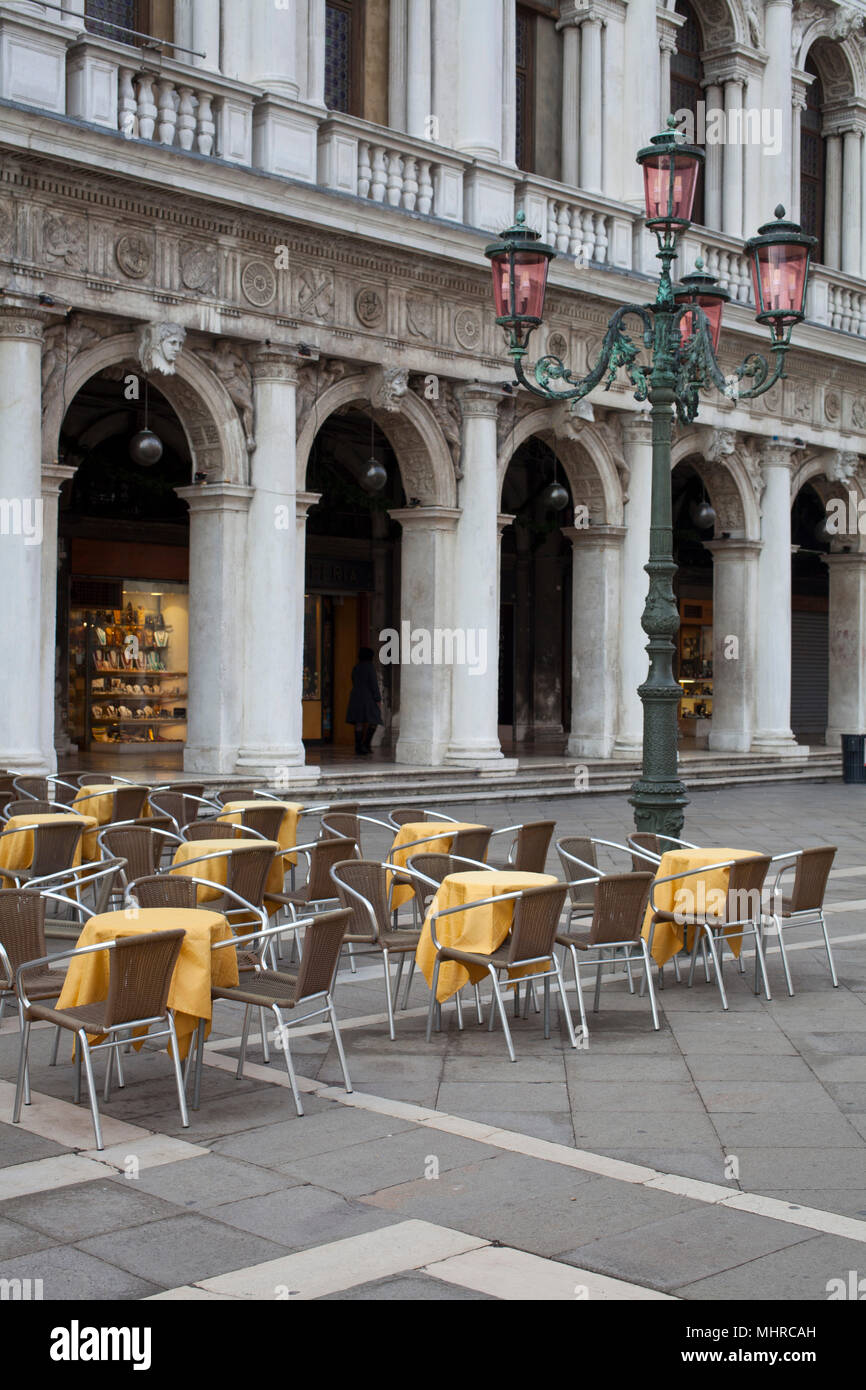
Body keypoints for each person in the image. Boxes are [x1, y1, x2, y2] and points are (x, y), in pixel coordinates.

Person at [346, 647, 382, 756]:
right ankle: (366, 744)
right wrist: (378, 699)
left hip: (356, 696)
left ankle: (358, 746)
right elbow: (374, 684)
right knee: (375, 720)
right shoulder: (370, 667)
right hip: (368, 697)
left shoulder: (356, 667)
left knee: (359, 722)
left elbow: (353, 679)